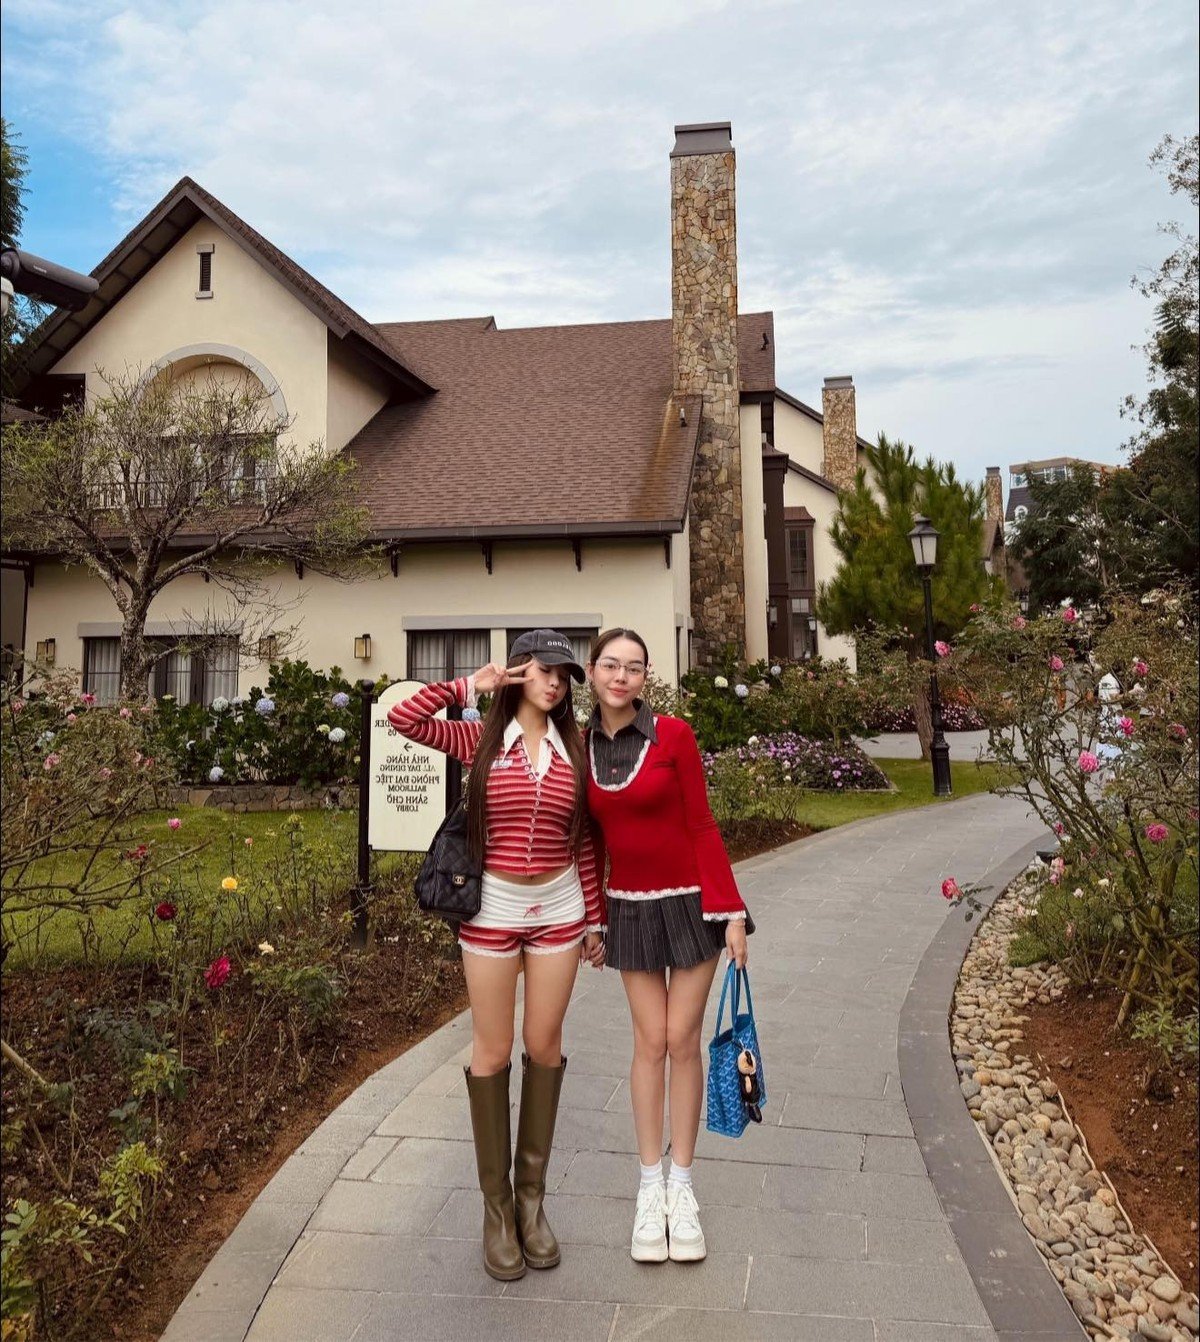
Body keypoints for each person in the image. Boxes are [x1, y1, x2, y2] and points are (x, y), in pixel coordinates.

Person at [388, 630, 605, 1281]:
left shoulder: (577, 747)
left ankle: (531, 1204)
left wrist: (595, 918)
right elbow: (402, 718)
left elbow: (585, 840)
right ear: (517, 673)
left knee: (545, 1044)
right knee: (493, 1049)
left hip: (559, 909)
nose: (556, 683)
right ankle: (497, 1210)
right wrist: (468, 686)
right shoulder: (479, 740)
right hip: (491, 910)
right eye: (544, 671)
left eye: (564, 675)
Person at [583, 627, 752, 1264]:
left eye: (633, 667)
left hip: (691, 904)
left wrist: (732, 912)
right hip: (627, 909)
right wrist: (594, 921)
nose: (620, 676)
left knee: (682, 1039)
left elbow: (702, 824)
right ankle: (648, 1186)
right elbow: (588, 845)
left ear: (645, 677)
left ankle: (682, 1187)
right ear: (592, 673)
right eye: (610, 665)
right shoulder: (579, 747)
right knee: (649, 1041)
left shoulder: (674, 736)